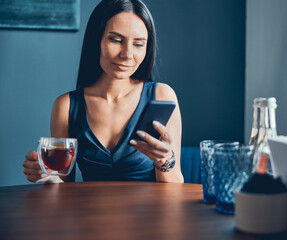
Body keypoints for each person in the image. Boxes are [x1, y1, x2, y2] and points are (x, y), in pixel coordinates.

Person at [22, 0, 183, 183]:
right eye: (116, 40)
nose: (127, 54)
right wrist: (47, 176)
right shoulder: (66, 106)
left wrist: (165, 160)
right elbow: (63, 187)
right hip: (87, 211)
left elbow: (175, 186)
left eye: (138, 44)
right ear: (96, 40)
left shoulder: (161, 96)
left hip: (148, 211)